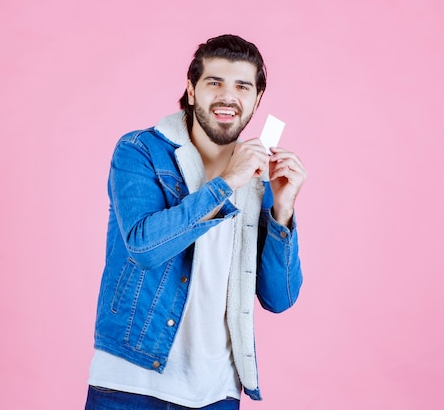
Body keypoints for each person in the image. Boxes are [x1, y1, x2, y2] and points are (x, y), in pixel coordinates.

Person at [85, 34, 307, 410]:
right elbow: (144, 247)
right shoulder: (141, 151)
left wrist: (282, 210)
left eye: (242, 86)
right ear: (190, 91)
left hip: (215, 393)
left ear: (256, 100)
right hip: (130, 383)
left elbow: (279, 298)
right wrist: (225, 184)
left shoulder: (258, 179)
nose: (227, 96)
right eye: (214, 82)